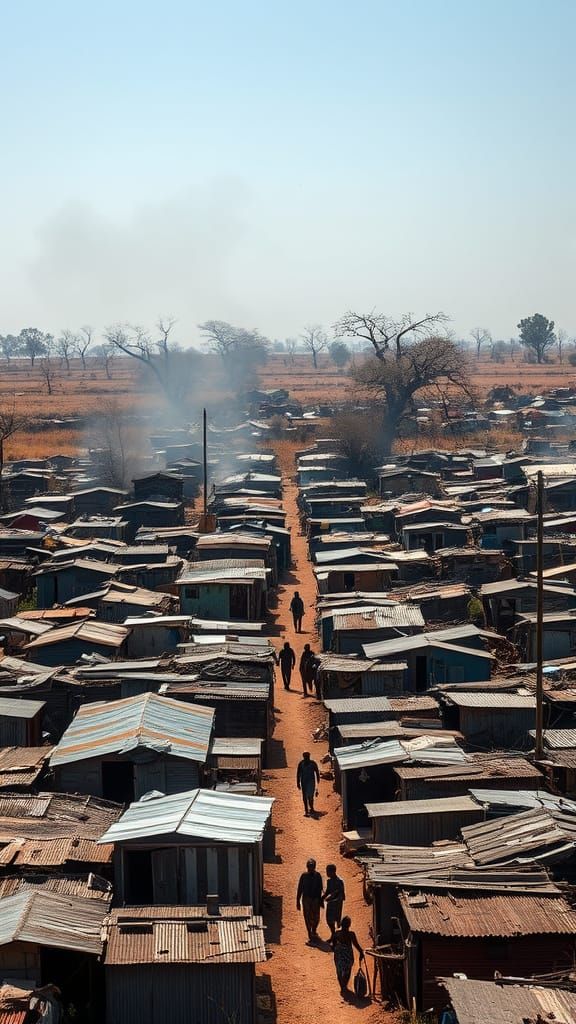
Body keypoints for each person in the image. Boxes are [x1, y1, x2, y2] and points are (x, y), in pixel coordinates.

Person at [331, 916, 365, 997]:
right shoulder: (351, 934)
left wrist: (337, 949)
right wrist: (361, 952)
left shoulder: (337, 933)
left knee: (339, 971)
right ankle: (344, 986)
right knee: (347, 970)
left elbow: (333, 945)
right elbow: (356, 945)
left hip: (339, 955)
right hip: (348, 955)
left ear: (341, 924)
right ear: (349, 925)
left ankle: (342, 987)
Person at [296, 858, 323, 942]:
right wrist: (298, 901)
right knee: (307, 917)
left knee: (316, 917)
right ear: (307, 867)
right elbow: (300, 889)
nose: (310, 868)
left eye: (312, 866)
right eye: (309, 866)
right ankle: (309, 933)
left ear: (315, 867)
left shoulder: (318, 876)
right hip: (306, 899)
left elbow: (320, 888)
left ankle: (313, 930)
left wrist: (321, 900)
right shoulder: (304, 876)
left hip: (315, 899)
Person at [323, 864, 345, 936]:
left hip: (337, 904)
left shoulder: (339, 881)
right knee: (329, 920)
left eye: (328, 871)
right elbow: (328, 891)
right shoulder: (329, 881)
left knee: (337, 920)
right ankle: (333, 934)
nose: (327, 873)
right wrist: (322, 898)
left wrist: (332, 899)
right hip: (331, 904)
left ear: (333, 872)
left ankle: (337, 937)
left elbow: (340, 894)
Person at [296, 750, 320, 816]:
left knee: (310, 796)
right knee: (304, 797)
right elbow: (298, 774)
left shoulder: (313, 763)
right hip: (304, 782)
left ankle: (311, 808)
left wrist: (318, 780)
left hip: (311, 782)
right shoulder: (301, 764)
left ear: (309, 756)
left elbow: (317, 772)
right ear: (303, 757)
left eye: (307, 756)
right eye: (305, 756)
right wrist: (298, 783)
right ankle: (306, 810)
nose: (306, 757)